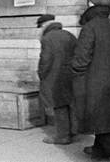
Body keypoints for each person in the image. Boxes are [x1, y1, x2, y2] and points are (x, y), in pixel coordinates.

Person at [71, 0, 110, 161]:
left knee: (99, 116)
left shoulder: (90, 27)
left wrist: (74, 69)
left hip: (94, 82)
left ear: (92, 7)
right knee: (106, 116)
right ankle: (98, 149)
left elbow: (81, 59)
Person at [35, 14, 77, 145]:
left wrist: (41, 74)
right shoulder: (69, 35)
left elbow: (45, 61)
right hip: (71, 75)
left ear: (44, 25)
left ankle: (63, 136)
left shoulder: (47, 38)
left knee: (59, 105)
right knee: (69, 103)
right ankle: (72, 131)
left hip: (55, 76)